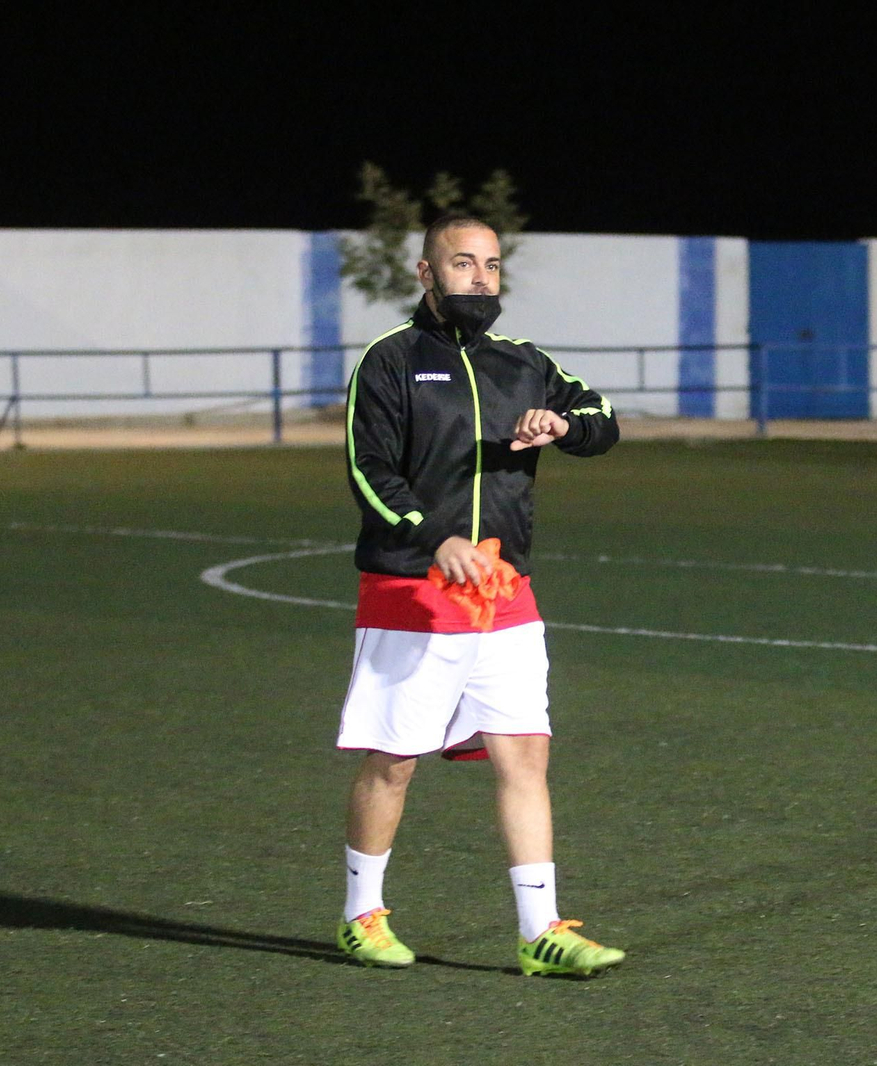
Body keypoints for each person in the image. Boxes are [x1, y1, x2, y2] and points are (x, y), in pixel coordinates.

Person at [335, 214, 626, 977]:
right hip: (413, 593)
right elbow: (369, 470)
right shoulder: (391, 360)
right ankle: (360, 916)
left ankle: (541, 931)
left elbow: (602, 419)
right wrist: (434, 538)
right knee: (395, 761)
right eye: (463, 263)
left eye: (491, 265)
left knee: (525, 753)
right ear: (427, 273)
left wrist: (563, 425)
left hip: (505, 592)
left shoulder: (523, 362)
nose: (480, 276)